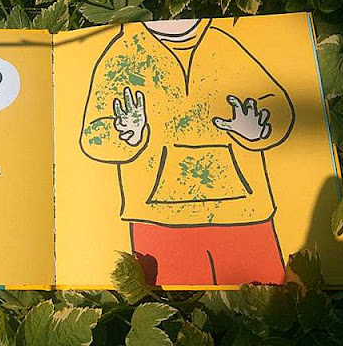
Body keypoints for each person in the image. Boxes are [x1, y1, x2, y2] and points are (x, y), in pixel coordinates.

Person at [80, 19, 294, 285]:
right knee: (174, 302)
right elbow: (92, 135)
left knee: (268, 298)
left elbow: (276, 103)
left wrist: (257, 129)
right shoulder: (123, 54)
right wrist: (127, 135)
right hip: (158, 219)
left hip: (244, 211)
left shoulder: (223, 43)